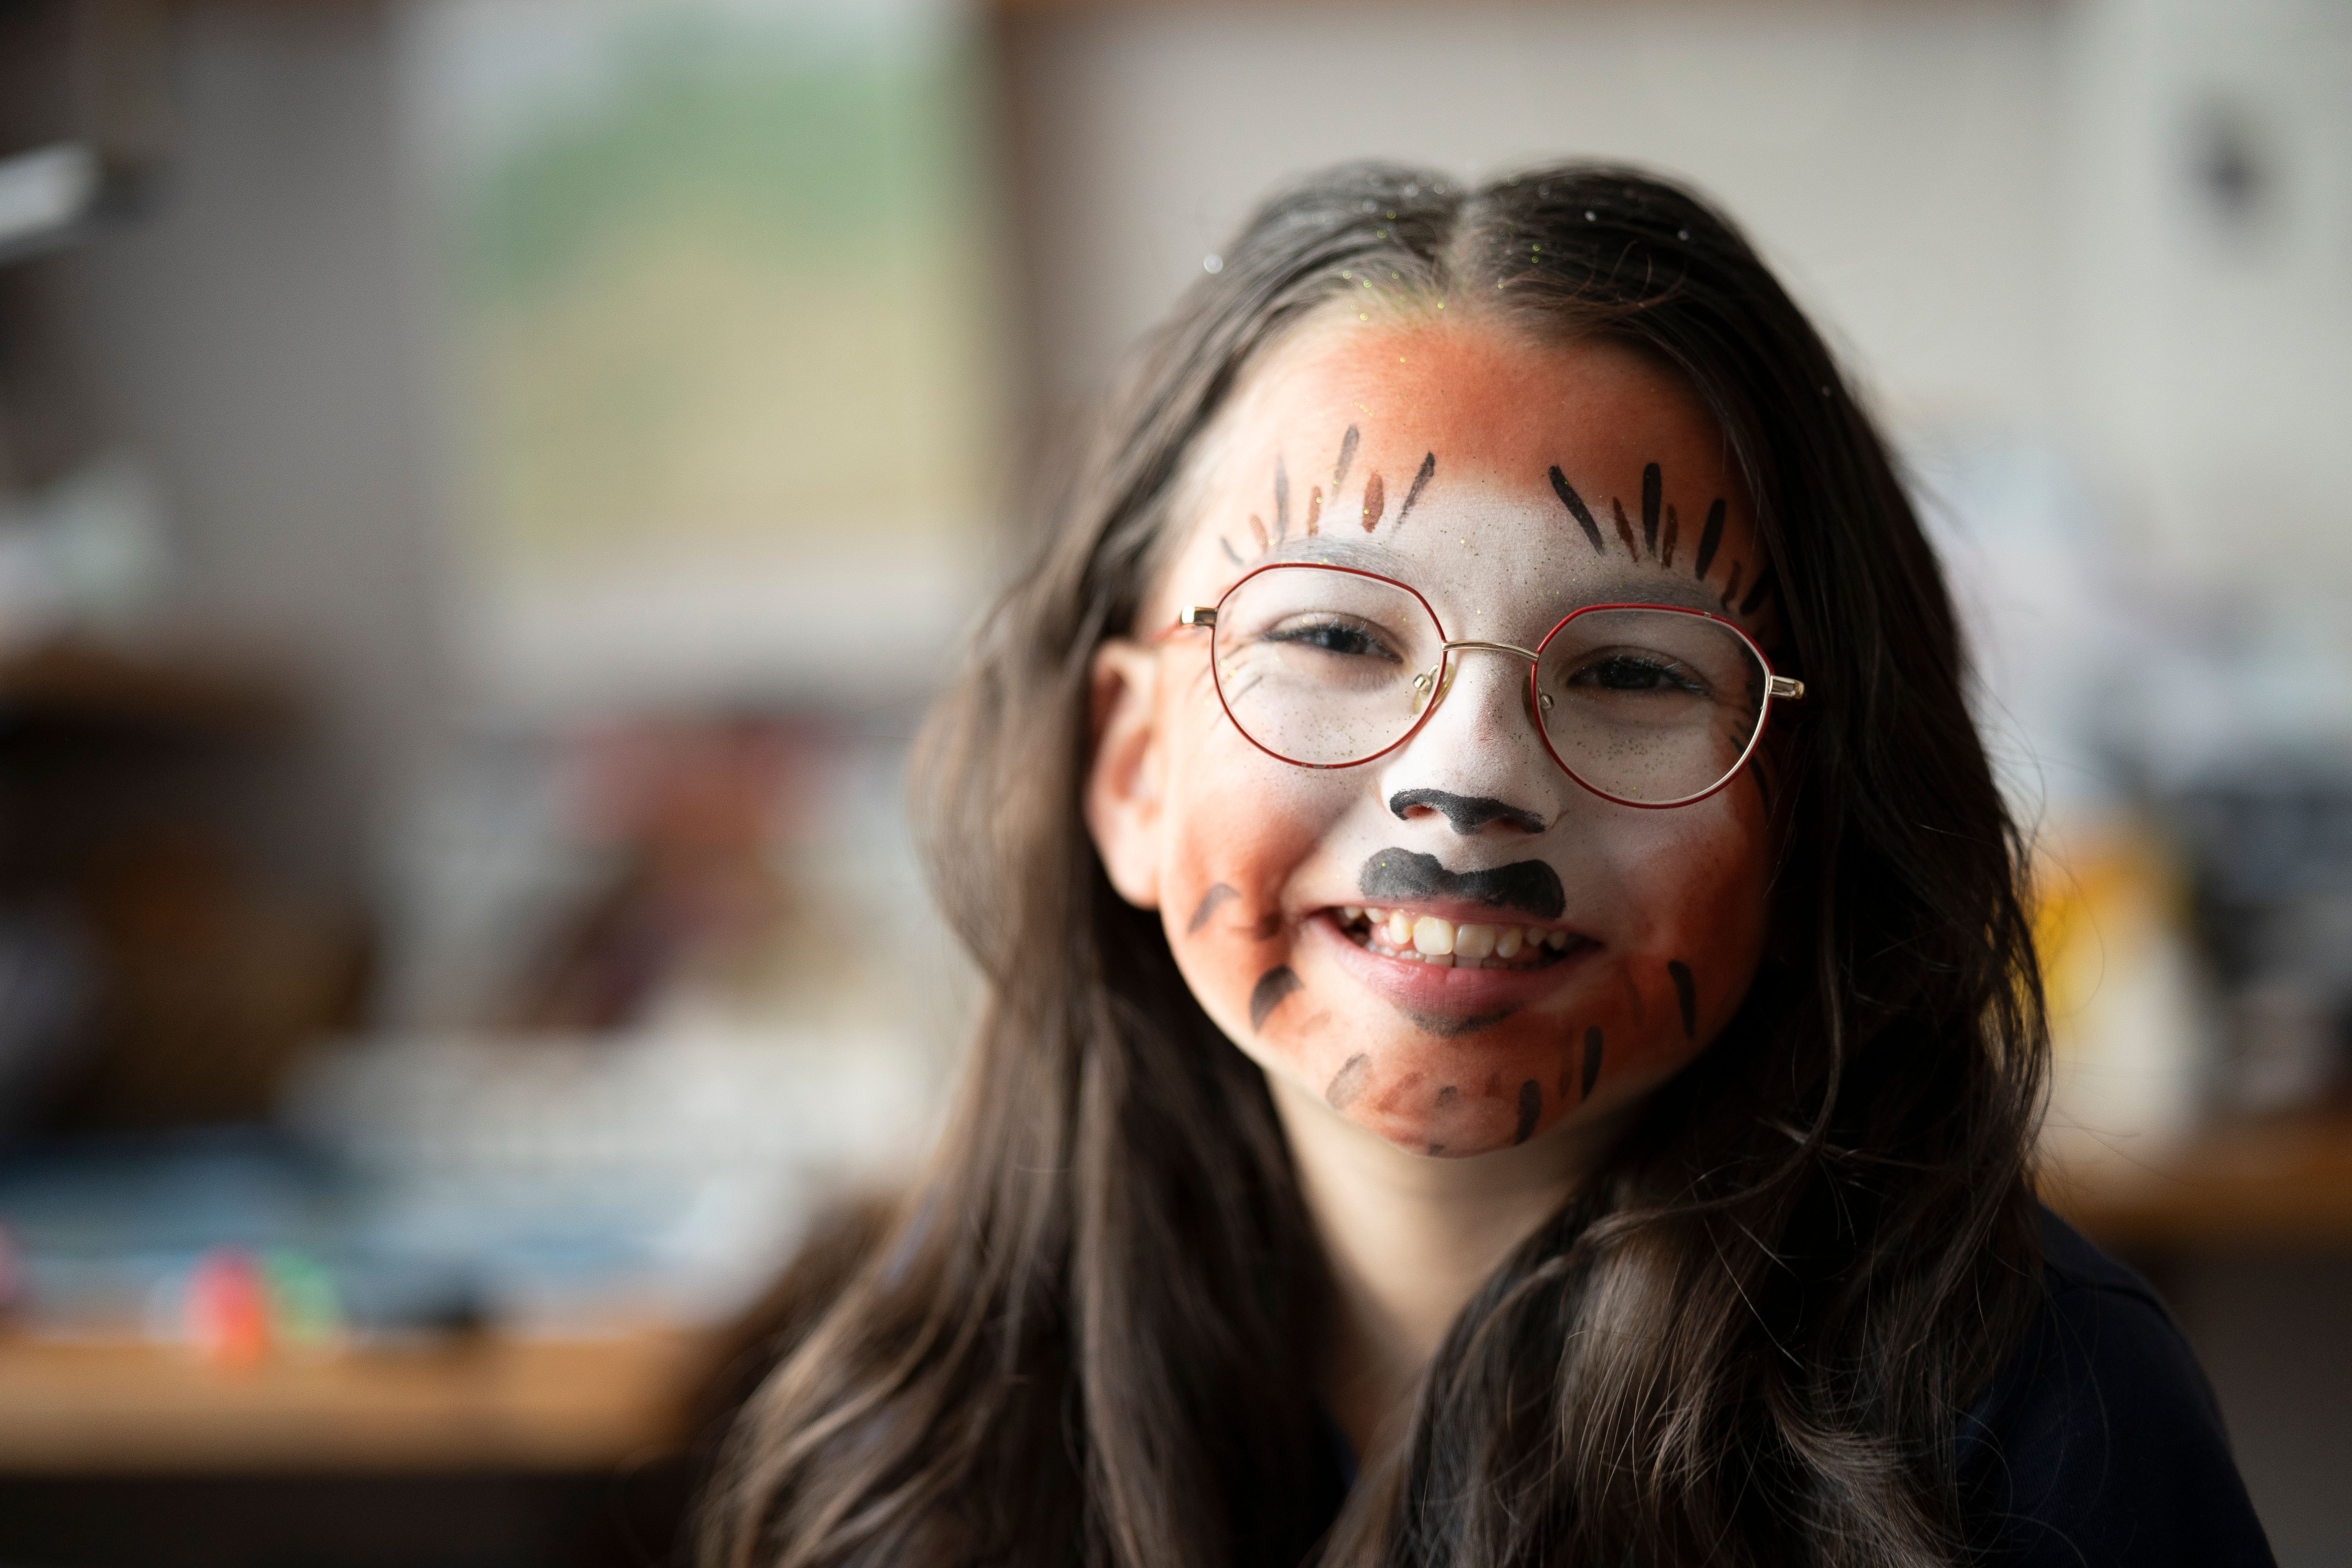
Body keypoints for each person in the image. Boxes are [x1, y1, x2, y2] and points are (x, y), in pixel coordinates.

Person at [701, 163, 2274, 1568]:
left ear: (1808, 804)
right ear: (1128, 768)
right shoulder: (944, 1390)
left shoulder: (2040, 1425)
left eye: (1641, 674)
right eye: (1328, 633)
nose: (1464, 782)